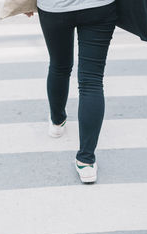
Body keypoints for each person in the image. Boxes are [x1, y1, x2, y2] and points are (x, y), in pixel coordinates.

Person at [25, 0, 117, 183]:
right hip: (98, 7)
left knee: (59, 66)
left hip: (55, 7)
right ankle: (86, 161)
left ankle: (57, 122)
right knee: (92, 81)